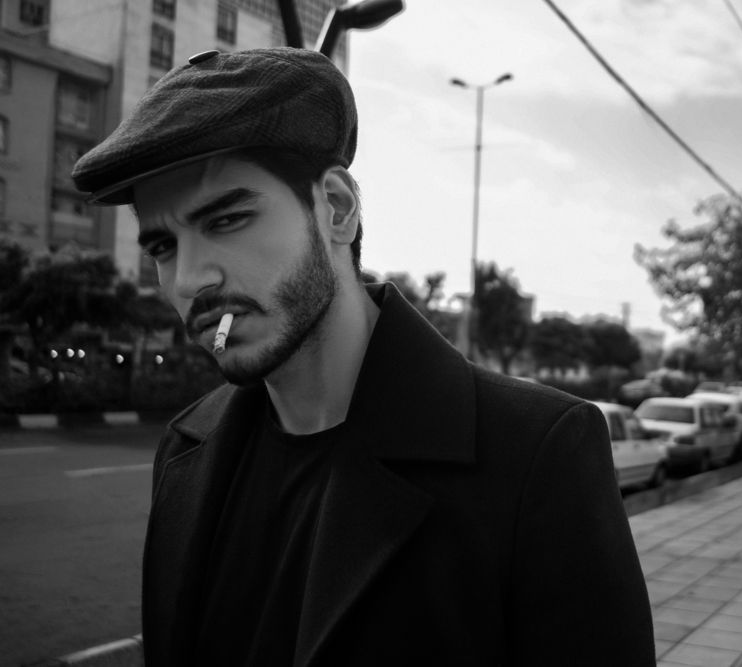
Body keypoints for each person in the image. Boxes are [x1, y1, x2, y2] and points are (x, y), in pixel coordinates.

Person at [72, 47, 654, 666]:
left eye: (228, 220)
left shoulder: (537, 454)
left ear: (337, 209)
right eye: (163, 247)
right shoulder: (186, 446)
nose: (189, 279)